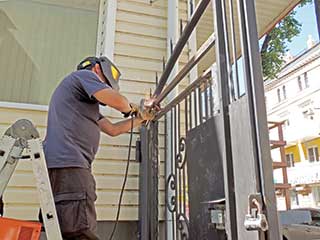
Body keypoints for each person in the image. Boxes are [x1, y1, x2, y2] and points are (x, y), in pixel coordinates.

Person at [43, 56, 154, 240]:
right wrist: (133, 108)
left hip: (67, 166)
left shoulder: (84, 105)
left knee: (67, 227)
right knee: (80, 229)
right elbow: (118, 101)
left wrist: (141, 118)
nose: (105, 88)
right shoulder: (82, 76)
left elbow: (113, 129)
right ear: (97, 69)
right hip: (71, 165)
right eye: (106, 83)